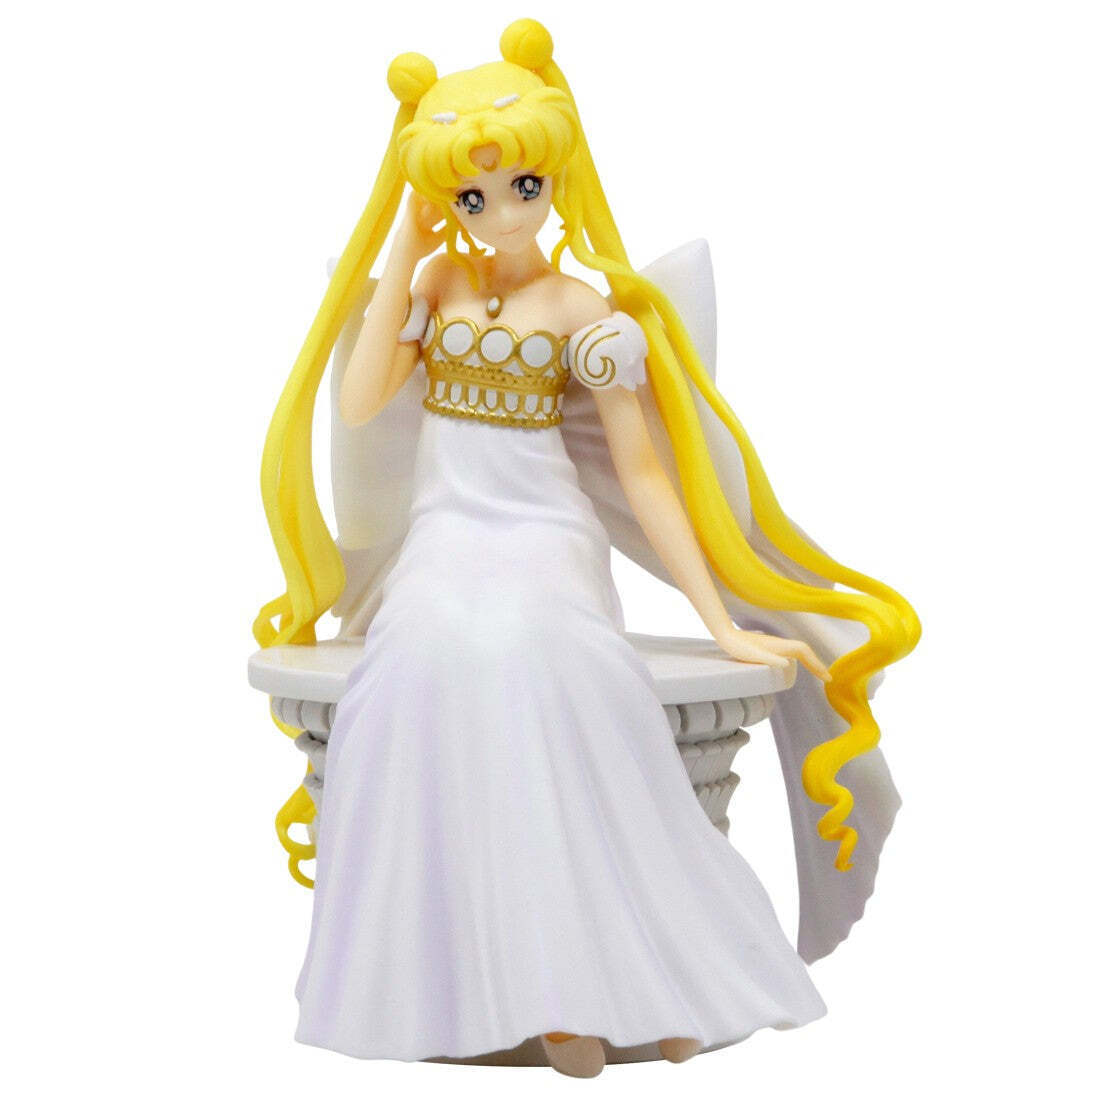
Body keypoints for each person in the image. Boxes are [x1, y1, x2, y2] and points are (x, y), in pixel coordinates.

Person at [253, 17, 920, 1078]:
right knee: (418, 671)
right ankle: (503, 985)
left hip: (542, 535)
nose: (503, 211)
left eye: (523, 186)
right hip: (445, 538)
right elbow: (365, 396)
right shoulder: (437, 285)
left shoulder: (584, 309)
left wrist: (717, 617)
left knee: (554, 673)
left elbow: (645, 473)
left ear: (554, 179)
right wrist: (405, 247)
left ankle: (636, 983)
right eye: (474, 196)